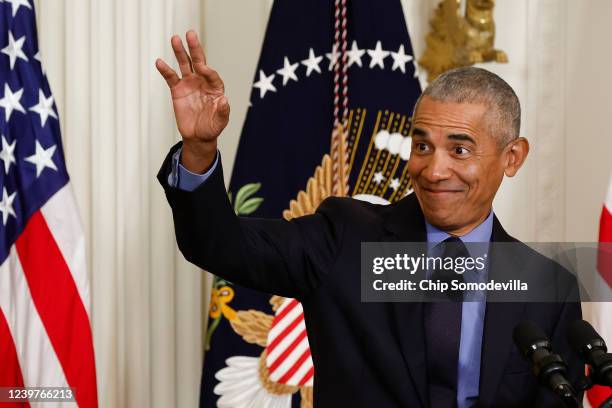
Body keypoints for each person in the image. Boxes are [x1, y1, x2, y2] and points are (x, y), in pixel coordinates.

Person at [155, 31, 582, 407]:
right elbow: (216, 243)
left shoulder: (547, 288)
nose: (433, 170)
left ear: (513, 157)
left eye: (460, 150)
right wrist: (199, 151)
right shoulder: (344, 237)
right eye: (422, 146)